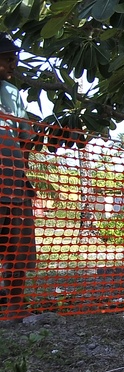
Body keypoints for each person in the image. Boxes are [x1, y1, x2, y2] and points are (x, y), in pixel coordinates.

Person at [0, 34, 35, 321]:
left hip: (12, 184)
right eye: (8, 57)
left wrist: (21, 175)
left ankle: (14, 304)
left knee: (17, 248)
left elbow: (25, 142)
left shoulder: (11, 93)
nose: (14, 63)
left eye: (15, 57)